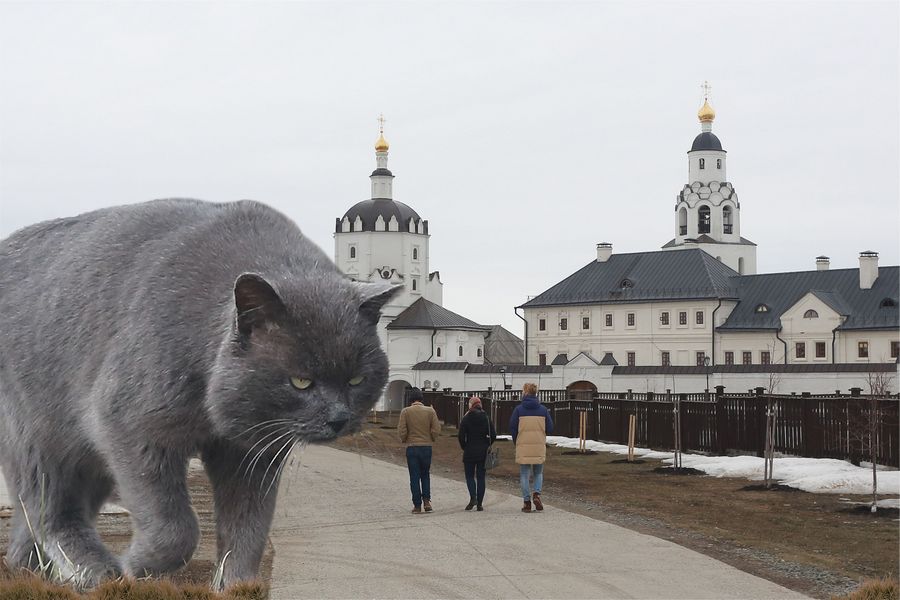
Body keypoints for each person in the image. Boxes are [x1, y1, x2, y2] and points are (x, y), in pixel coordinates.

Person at [508, 383, 554, 513]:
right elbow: (550, 428)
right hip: (538, 445)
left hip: (523, 445)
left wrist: (516, 440)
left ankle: (527, 502)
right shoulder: (543, 410)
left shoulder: (518, 410)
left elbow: (512, 426)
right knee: (538, 472)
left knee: (524, 474)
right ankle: (537, 495)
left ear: (525, 393)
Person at [398, 387, 440, 514]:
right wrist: (431, 438)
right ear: (422, 398)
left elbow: (402, 430)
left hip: (412, 447)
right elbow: (436, 429)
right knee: (425, 475)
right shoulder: (430, 411)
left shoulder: (405, 412)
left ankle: (417, 505)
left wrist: (405, 439)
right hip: (426, 447)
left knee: (414, 477)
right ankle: (427, 502)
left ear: (410, 399)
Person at [457, 396, 496, 511]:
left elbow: (461, 436)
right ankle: (480, 504)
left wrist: (464, 446)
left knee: (469, 476)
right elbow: (493, 435)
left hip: (469, 450)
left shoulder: (466, 418)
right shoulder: (486, 417)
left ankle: (473, 497)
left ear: (470, 405)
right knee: (481, 477)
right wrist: (487, 444)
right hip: (483, 452)